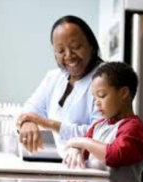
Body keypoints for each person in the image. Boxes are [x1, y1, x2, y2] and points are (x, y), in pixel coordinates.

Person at [17, 15, 103, 156]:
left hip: (108, 170)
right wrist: (27, 123)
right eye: (61, 50)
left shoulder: (105, 79)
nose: (69, 55)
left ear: (91, 46)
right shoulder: (54, 78)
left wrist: (49, 124)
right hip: (75, 168)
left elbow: (100, 133)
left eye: (76, 47)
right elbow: (30, 108)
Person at [64, 62, 143, 182]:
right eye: (94, 98)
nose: (96, 103)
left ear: (123, 93)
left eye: (101, 95)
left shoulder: (134, 127)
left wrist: (81, 142)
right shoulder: (98, 126)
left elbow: (115, 156)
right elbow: (82, 151)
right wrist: (75, 149)